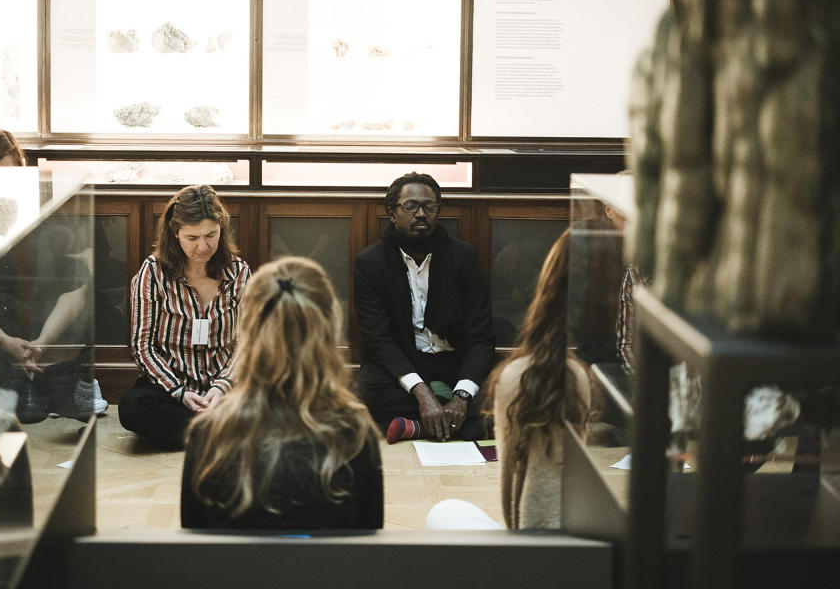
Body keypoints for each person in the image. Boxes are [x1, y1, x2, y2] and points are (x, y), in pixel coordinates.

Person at [181, 256, 383, 529]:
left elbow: (194, 545)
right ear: (329, 328)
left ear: (248, 331)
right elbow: (368, 544)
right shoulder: (356, 433)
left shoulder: (208, 433)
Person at [426, 229, 593, 530]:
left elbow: (513, 500)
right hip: (594, 546)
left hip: (539, 549)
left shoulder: (522, 375)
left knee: (445, 510)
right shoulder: (578, 376)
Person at [0, 127, 107, 422]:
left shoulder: (38, 213)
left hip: (34, 325)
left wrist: (40, 344)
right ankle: (27, 383)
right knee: (0, 389)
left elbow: (76, 282)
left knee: (82, 292)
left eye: (10, 175)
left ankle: (41, 378)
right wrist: (5, 341)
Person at [354, 172, 496, 442]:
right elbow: (378, 339)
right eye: (410, 206)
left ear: (437, 212)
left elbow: (481, 336)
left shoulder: (463, 256)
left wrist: (461, 396)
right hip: (406, 361)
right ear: (392, 213)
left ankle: (418, 426)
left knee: (506, 392)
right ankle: (448, 421)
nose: (420, 213)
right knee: (366, 392)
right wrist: (422, 393)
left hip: (456, 360)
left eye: (428, 207)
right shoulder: (370, 262)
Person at [120, 185, 250, 447]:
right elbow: (141, 346)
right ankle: (214, 430)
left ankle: (199, 429)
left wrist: (221, 387)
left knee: (272, 396)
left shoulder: (238, 272)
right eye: (192, 238)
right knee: (132, 408)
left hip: (225, 384)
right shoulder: (152, 273)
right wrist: (180, 392)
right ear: (175, 233)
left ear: (221, 231)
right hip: (171, 388)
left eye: (211, 235)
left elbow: (249, 342)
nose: (203, 246)